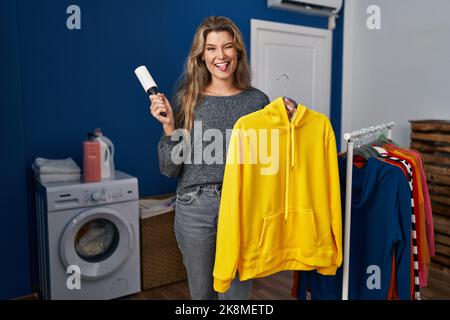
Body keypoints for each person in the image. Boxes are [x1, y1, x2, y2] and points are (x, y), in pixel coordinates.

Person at [149, 16, 270, 300]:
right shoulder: (186, 99)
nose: (221, 56)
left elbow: (267, 163)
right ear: (201, 56)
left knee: (236, 296)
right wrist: (169, 127)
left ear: (238, 52)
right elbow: (169, 168)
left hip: (242, 205)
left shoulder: (258, 102)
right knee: (202, 295)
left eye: (227, 47)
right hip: (195, 208)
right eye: (212, 48)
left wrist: (287, 120)